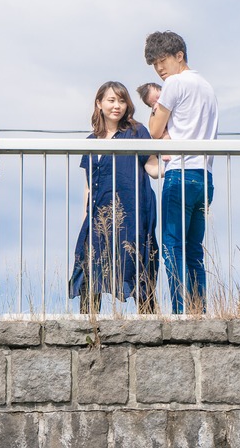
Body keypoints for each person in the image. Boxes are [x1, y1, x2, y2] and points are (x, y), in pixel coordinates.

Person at [69, 81, 160, 314]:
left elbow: (153, 168)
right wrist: (84, 219)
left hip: (131, 213)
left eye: (121, 100)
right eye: (111, 100)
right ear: (99, 104)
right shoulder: (91, 141)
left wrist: (172, 146)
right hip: (98, 217)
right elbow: (88, 187)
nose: (117, 106)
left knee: (137, 262)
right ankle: (88, 327)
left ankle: (149, 325)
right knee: (91, 266)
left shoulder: (137, 132)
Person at [144, 31, 218, 314]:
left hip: (179, 174)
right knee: (194, 250)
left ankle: (179, 312)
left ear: (179, 56)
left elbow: (153, 131)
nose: (160, 69)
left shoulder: (175, 83)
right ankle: (199, 311)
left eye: (163, 60)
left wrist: (156, 115)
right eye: (154, 64)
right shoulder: (207, 87)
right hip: (205, 177)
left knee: (172, 247)